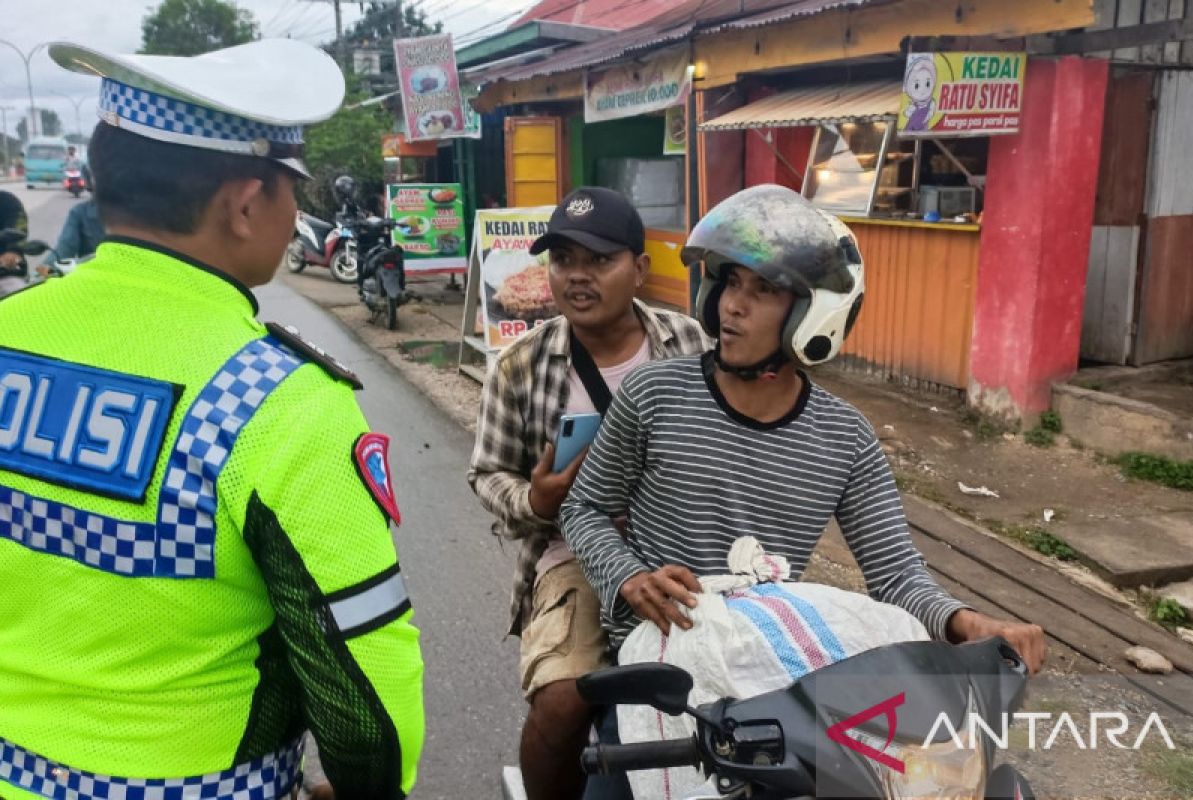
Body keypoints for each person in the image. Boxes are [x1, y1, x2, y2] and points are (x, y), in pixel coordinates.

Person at [0, 39, 424, 800]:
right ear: (246, 202)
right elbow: (364, 675)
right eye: (292, 186)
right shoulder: (275, 399)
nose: (296, 210)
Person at [561, 184, 1047, 675]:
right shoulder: (654, 393)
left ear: (813, 315)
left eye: (763, 290)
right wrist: (630, 578)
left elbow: (896, 575)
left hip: (763, 660)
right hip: (653, 651)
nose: (733, 305)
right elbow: (584, 509)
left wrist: (968, 622)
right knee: (562, 709)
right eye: (731, 283)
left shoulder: (846, 438)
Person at [467, 187, 709, 800]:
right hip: (571, 555)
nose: (577, 275)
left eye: (599, 260)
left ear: (640, 268)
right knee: (562, 701)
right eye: (563, 259)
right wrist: (538, 502)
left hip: (682, 551)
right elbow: (488, 472)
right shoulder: (518, 364)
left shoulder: (688, 345)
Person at [0, 189, 29, 296]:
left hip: (5, 274)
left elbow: (19, 227)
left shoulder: (7, 201)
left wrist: (13, 251)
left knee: (18, 295)